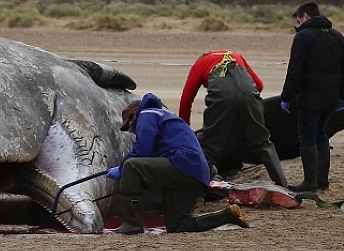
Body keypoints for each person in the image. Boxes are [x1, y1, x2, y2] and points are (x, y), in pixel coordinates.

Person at [106, 92, 250, 234]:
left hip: (183, 165)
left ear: (134, 113)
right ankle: (227, 215)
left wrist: (121, 169)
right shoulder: (166, 117)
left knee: (132, 166)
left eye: (129, 125)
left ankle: (131, 225)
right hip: (197, 175)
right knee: (178, 225)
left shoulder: (147, 114)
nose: (131, 130)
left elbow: (143, 151)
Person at [179, 50, 287, 188]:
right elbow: (259, 85)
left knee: (210, 147)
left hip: (222, 98)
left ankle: (197, 191)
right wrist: (242, 111)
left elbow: (186, 100)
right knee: (262, 142)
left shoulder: (200, 63)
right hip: (249, 95)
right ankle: (283, 185)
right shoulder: (236, 56)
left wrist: (185, 130)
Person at [280, 1, 344, 192]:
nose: (297, 24)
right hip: (331, 97)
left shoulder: (303, 37)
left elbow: (295, 70)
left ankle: (310, 182)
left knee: (307, 137)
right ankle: (322, 181)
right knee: (322, 133)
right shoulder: (337, 36)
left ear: (305, 16)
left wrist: (286, 96)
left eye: (298, 20)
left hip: (310, 97)